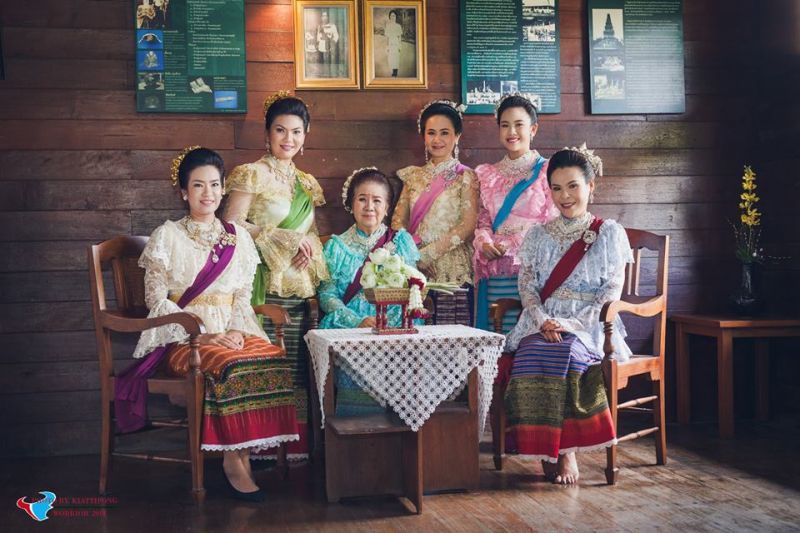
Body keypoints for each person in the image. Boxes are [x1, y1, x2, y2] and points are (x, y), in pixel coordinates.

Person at [115, 147, 300, 501]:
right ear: (184, 192)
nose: (208, 193)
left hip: (231, 331)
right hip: (185, 340)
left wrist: (235, 331)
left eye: (214, 185)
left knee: (266, 357)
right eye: (198, 185)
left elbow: (242, 297)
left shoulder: (237, 237)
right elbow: (157, 301)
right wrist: (205, 336)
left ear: (223, 188)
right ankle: (233, 460)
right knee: (229, 365)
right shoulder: (167, 236)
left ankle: (243, 451)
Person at [503, 146, 633, 485]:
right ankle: (542, 446)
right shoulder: (538, 235)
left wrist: (567, 324)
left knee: (568, 352)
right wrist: (542, 319)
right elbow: (527, 286)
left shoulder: (609, 233)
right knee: (531, 351)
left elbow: (611, 292)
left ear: (591, 186)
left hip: (590, 326)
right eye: (557, 188)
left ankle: (565, 451)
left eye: (573, 186)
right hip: (541, 321)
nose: (565, 196)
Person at [222, 92, 328, 461]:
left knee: (291, 365)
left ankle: (289, 445)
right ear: (267, 134)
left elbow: (310, 232)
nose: (288, 138)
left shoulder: (306, 183)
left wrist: (307, 246)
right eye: (280, 130)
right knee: (262, 361)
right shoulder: (252, 173)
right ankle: (256, 447)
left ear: (305, 136)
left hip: (297, 283)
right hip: (260, 281)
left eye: (296, 132)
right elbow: (230, 226)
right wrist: (279, 237)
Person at [319, 168, 419, 415]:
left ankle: (402, 429)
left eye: (377, 200)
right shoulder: (336, 247)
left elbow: (412, 290)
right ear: (351, 204)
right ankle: (356, 429)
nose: (369, 207)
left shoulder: (401, 242)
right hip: (351, 329)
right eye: (362, 199)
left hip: (395, 326)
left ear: (387, 207)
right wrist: (357, 321)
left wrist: (389, 324)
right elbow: (327, 295)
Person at [474, 94, 558, 332]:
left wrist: (517, 244)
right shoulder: (488, 174)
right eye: (505, 125)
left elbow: (554, 221)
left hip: (532, 268)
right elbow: (484, 220)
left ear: (533, 129)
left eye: (519, 124)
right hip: (496, 268)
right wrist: (484, 243)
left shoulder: (548, 170)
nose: (511, 132)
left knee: (529, 336)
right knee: (498, 336)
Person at [391, 100, 478, 325]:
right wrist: (413, 256)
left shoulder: (465, 176)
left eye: (444, 133)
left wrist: (427, 255)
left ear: (457, 136)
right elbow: (398, 223)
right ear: (423, 136)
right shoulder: (413, 177)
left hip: (451, 266)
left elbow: (467, 226)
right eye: (431, 133)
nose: (437, 139)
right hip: (413, 265)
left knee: (452, 337)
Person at [385, 10, 402, 77]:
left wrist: (400, 46)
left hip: (396, 45)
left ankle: (395, 73)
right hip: (390, 45)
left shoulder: (398, 26)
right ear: (389, 17)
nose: (393, 17)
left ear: (396, 17)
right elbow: (387, 38)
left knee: (396, 59)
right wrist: (387, 47)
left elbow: (399, 37)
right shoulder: (388, 26)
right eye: (391, 16)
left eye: (394, 16)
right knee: (390, 59)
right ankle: (393, 72)